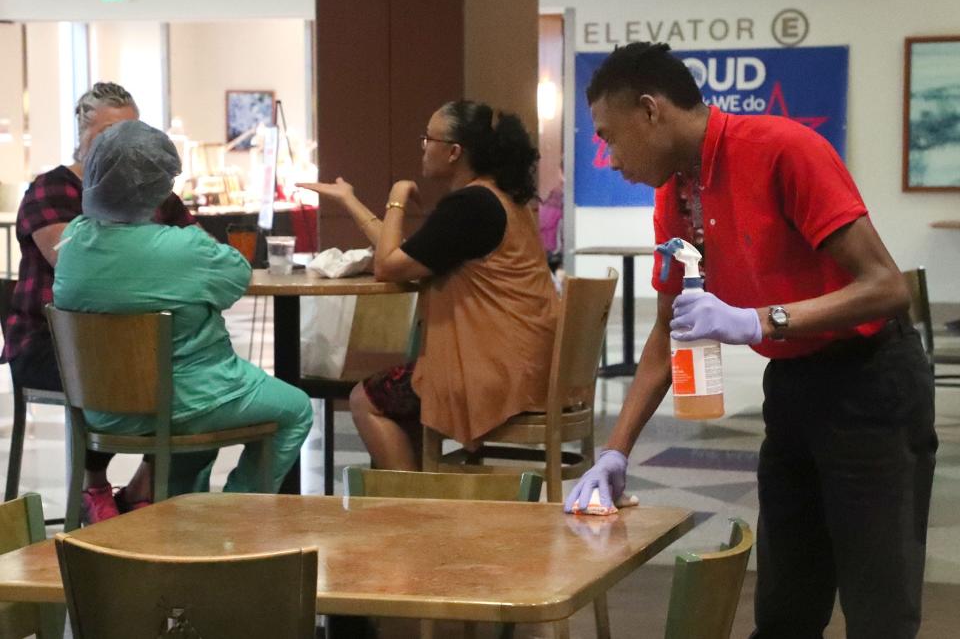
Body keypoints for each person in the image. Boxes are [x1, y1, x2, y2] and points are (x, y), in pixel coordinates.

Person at [564, 43, 936, 639]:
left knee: (878, 604)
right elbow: (666, 329)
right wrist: (616, 450)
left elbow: (887, 288)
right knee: (786, 603)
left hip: (871, 381)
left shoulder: (782, 149)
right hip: (792, 385)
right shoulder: (675, 192)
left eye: (609, 137)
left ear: (650, 111)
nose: (607, 159)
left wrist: (760, 321)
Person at [53, 119, 313, 498]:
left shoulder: (74, 241)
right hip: (188, 398)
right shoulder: (184, 247)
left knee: (197, 427)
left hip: (102, 407)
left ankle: (174, 515)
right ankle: (234, 514)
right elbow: (236, 277)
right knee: (296, 410)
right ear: (161, 184)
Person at [298, 100, 558, 470]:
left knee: (365, 400)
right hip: (524, 363)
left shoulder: (471, 206)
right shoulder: (497, 198)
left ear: (454, 152)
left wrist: (397, 195)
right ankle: (425, 491)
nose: (422, 146)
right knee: (397, 398)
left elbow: (387, 266)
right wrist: (350, 201)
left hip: (493, 371)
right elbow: (403, 257)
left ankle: (413, 507)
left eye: (427, 138)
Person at [0, 82, 196, 523]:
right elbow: (72, 261)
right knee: (125, 369)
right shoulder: (51, 189)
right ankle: (94, 488)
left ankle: (144, 484)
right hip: (50, 342)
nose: (120, 144)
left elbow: (196, 248)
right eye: (107, 132)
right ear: (82, 132)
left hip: (134, 339)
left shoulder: (154, 192)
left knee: (197, 378)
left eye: (131, 131)